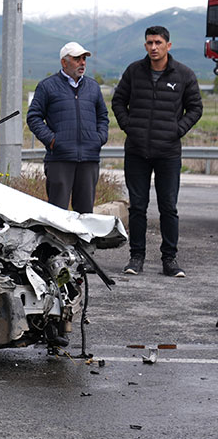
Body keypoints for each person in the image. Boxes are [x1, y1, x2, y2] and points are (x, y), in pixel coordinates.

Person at [112, 26, 202, 278]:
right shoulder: (134, 71)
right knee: (138, 207)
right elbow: (118, 100)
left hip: (168, 152)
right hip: (137, 150)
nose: (154, 47)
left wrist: (178, 129)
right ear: (145, 46)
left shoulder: (184, 74)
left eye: (158, 42)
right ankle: (136, 257)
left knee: (168, 207)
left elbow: (195, 107)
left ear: (168, 45)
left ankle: (169, 260)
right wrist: (129, 126)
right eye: (149, 42)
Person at [26, 41, 109, 212]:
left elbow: (103, 116)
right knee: (57, 214)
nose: (82, 63)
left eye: (84, 59)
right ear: (64, 62)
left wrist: (99, 138)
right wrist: (53, 141)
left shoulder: (93, 87)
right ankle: (58, 241)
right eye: (77, 59)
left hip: (88, 159)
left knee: (86, 214)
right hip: (60, 159)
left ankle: (83, 241)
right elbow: (33, 117)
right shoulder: (47, 86)